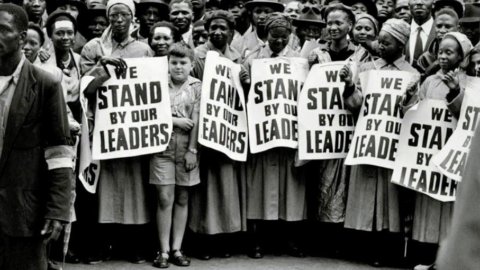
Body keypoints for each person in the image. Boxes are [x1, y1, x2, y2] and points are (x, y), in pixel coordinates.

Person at [340, 18, 420, 267]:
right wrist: (350, 85)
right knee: (364, 193)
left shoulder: (412, 74)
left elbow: (415, 112)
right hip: (368, 140)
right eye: (380, 41)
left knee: (389, 198)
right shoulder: (367, 69)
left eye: (387, 42)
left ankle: (386, 248)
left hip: (393, 145)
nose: (381, 46)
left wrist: (408, 98)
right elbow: (355, 106)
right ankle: (362, 245)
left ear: (401, 45)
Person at [0, 4, 74, 270]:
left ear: (21, 38)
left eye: (2, 30)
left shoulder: (45, 85)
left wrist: (58, 209)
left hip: (24, 214)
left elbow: (60, 154)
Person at [80, 0, 153, 264]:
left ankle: (131, 246)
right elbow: (82, 88)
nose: (119, 19)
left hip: (131, 128)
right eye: (114, 15)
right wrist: (102, 67)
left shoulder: (144, 49)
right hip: (103, 127)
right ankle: (102, 245)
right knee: (103, 191)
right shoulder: (93, 47)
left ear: (133, 19)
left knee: (134, 189)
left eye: (124, 14)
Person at [404, 31, 472, 270]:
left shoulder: (469, 82)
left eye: (449, 52)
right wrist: (410, 97)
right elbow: (415, 113)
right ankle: (424, 250)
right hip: (429, 152)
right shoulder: (431, 80)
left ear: (461, 56)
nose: (443, 57)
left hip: (452, 155)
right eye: (440, 51)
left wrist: (455, 92)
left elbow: (468, 117)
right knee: (428, 202)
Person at [243, 12, 307, 259]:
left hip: (289, 131)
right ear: (265, 34)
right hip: (263, 132)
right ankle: (257, 240)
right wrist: (245, 81)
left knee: (290, 189)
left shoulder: (299, 61)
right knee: (260, 188)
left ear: (290, 36)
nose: (278, 41)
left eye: (283, 37)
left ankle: (289, 239)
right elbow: (244, 93)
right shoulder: (252, 59)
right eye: (274, 36)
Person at [188, 10, 247, 260]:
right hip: (206, 127)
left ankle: (225, 237)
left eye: (223, 28)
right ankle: (203, 239)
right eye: (213, 28)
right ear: (207, 30)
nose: (218, 32)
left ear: (231, 32)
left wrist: (245, 81)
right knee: (205, 188)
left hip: (229, 128)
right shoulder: (198, 55)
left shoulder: (238, 57)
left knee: (226, 186)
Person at [151, 43, 200, 269]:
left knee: (182, 196)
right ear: (168, 64)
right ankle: (162, 250)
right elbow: (151, 113)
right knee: (164, 197)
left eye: (183, 63)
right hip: (162, 146)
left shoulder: (197, 87)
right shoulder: (158, 84)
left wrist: (193, 150)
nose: (178, 67)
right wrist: (174, 121)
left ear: (191, 64)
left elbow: (198, 119)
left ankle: (177, 248)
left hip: (187, 146)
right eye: (174, 63)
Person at [417, 8, 459, 80]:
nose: (442, 30)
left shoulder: (467, 56)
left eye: (448, 27)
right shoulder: (424, 59)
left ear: (458, 29)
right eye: (439, 26)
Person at [406, 0, 436, 67]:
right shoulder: (401, 30)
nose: (419, 2)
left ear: (433, 4)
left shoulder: (441, 31)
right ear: (408, 5)